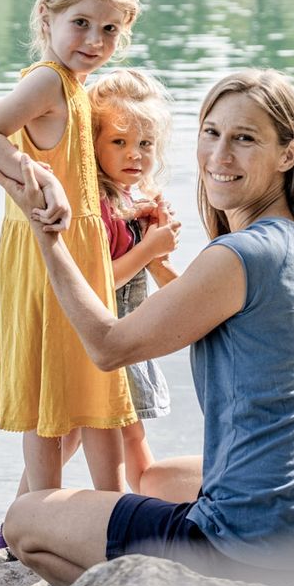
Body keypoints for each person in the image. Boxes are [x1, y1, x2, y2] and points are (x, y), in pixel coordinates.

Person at [0, 69, 294, 586]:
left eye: (244, 139)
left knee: (26, 520)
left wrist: (48, 235)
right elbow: (188, 313)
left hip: (253, 550)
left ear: (288, 155)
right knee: (156, 479)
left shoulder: (240, 256)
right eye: (211, 133)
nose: (219, 156)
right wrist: (153, 260)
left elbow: (108, 346)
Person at [0, 0, 143, 544]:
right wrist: (34, 177)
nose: (94, 39)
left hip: (76, 258)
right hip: (49, 264)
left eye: (110, 29)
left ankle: (95, 522)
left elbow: (80, 174)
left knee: (92, 396)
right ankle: (41, 527)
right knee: (55, 399)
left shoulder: (74, 89)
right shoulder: (46, 81)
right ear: (48, 17)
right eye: (81, 23)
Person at [90, 67, 182, 492]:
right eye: (119, 142)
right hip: (103, 334)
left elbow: (152, 266)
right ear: (92, 145)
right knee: (76, 433)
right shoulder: (98, 207)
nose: (135, 155)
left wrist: (152, 233)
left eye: (145, 144)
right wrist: (148, 249)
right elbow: (99, 280)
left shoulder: (130, 200)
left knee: (131, 429)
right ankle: (26, 511)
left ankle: (144, 499)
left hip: (128, 331)